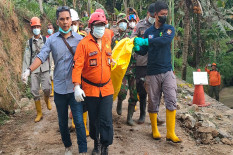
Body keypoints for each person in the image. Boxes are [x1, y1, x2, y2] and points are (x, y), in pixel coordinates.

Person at [22, 6, 87, 154]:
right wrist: (29, 70)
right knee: (62, 122)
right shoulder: (51, 40)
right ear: (57, 21)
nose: (65, 22)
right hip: (58, 88)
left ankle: (83, 150)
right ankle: (68, 147)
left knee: (78, 121)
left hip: (75, 87)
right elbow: (41, 56)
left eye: (67, 19)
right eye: (62, 19)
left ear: (72, 20)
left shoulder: (80, 40)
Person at [133, 1, 181, 143]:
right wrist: (137, 47)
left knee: (171, 98)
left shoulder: (169, 29)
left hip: (167, 70)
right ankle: (155, 130)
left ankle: (170, 133)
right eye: (162, 14)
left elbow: (164, 41)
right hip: (152, 71)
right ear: (155, 14)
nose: (164, 16)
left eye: (166, 14)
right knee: (153, 101)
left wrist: (147, 42)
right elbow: (144, 51)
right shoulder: (148, 32)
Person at [72, 11, 114, 155]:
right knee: (94, 119)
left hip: (107, 88)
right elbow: (77, 66)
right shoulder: (83, 44)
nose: (100, 28)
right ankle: (96, 143)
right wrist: (77, 86)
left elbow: (108, 58)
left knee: (106, 119)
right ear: (91, 26)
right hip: (90, 89)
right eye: (97, 25)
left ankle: (105, 145)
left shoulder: (107, 41)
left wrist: (112, 61)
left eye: (103, 25)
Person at [22, 17, 51, 123]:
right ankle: (39, 113)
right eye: (34, 27)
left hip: (44, 67)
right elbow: (26, 57)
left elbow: (50, 55)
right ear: (31, 28)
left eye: (37, 26)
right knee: (34, 90)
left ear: (40, 27)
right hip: (34, 69)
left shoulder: (45, 40)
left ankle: (47, 99)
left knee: (47, 88)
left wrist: (51, 69)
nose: (36, 28)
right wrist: (25, 73)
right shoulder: (29, 43)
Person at [111, 13, 138, 126]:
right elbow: (113, 52)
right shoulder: (115, 38)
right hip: (123, 69)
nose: (123, 24)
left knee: (134, 94)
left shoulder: (132, 35)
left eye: (124, 22)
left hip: (134, 68)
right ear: (117, 24)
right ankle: (120, 102)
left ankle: (129, 117)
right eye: (120, 22)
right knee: (122, 91)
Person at [69, 8, 89, 137]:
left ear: (78, 23)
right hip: (68, 72)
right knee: (71, 97)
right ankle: (74, 121)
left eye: (74, 23)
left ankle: (84, 125)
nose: (72, 26)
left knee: (83, 97)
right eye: (70, 23)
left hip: (81, 72)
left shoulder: (83, 37)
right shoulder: (60, 37)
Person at [46, 23, 55, 97]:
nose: (49, 29)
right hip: (49, 58)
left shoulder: (56, 37)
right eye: (48, 28)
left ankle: (55, 89)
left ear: (53, 29)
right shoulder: (46, 38)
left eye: (50, 28)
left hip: (55, 57)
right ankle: (52, 90)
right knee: (50, 74)